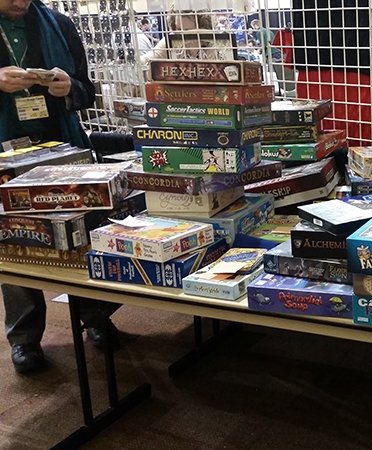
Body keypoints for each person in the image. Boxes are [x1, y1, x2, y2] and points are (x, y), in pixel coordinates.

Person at [0, 0, 120, 373]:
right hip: (5, 152)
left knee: (85, 230)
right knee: (13, 237)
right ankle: (24, 338)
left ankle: (96, 317)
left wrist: (71, 88)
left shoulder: (59, 24)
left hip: (64, 146)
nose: (20, 2)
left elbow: (86, 89)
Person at [139, 9, 216, 65]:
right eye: (178, 28)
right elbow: (146, 60)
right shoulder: (170, 42)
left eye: (187, 31)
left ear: (202, 29)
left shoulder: (215, 46)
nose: (181, 35)